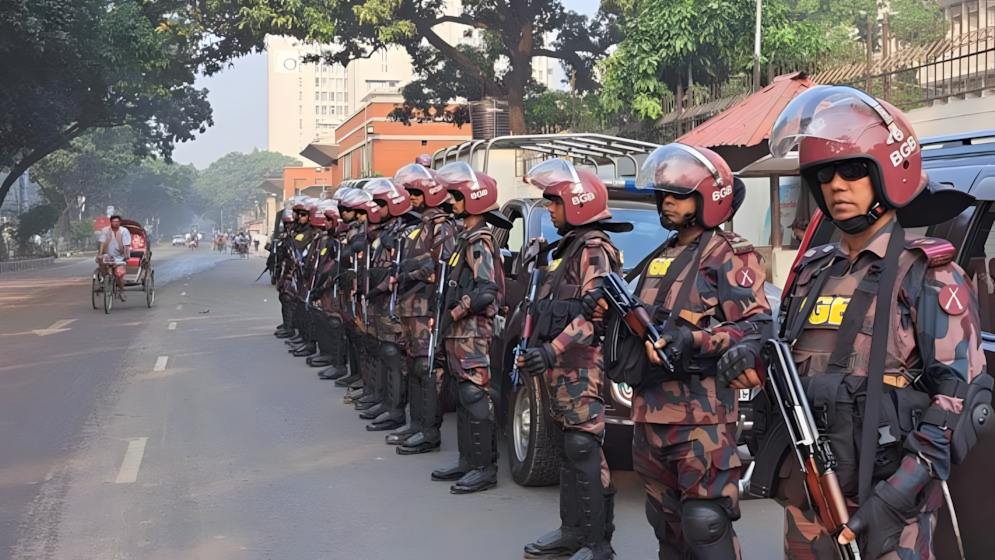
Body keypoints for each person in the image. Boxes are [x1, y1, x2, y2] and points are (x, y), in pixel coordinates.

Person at [767, 86, 989, 559]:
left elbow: (959, 401)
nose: (836, 184)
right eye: (824, 173)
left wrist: (892, 500)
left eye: (852, 170)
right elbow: (784, 365)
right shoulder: (812, 271)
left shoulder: (927, 274)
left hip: (891, 506)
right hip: (811, 500)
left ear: (886, 172)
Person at [605, 144, 771, 560]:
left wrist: (695, 340)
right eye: (664, 195)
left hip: (702, 419)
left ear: (707, 199)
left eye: (677, 195)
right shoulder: (658, 257)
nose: (666, 203)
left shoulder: (727, 254)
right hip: (649, 413)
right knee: (666, 526)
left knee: (704, 523)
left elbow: (757, 328)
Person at [516, 159, 627, 560]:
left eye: (554, 202)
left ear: (577, 203)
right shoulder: (569, 248)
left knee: (584, 449)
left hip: (581, 368)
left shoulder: (594, 249)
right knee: (568, 449)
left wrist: (551, 350)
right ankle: (572, 533)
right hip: (562, 371)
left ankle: (599, 544)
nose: (549, 210)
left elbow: (592, 316)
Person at [428, 161, 506, 493]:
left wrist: (455, 312)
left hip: (472, 333)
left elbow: (486, 288)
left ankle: (484, 467)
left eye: (457, 196)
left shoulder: (480, 241)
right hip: (459, 334)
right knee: (463, 395)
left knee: (475, 395)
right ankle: (467, 459)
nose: (452, 202)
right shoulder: (465, 238)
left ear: (474, 199)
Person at [389, 161, 459, 451]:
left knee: (426, 368)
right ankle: (416, 424)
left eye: (416, 192)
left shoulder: (442, 227)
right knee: (412, 367)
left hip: (426, 308)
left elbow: (438, 268)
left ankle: (429, 433)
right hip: (409, 307)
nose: (412, 197)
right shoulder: (421, 226)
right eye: (410, 192)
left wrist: (409, 274)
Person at [96, 215, 132, 301]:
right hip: (107, 255)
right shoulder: (105, 230)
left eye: (117, 222)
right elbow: (102, 242)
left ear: (120, 222)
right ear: (111, 222)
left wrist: (126, 256)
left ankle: (121, 292)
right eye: (114, 222)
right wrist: (100, 254)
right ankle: (105, 280)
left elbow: (126, 244)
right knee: (103, 266)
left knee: (119, 274)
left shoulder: (124, 231)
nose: (115, 223)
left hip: (120, 256)